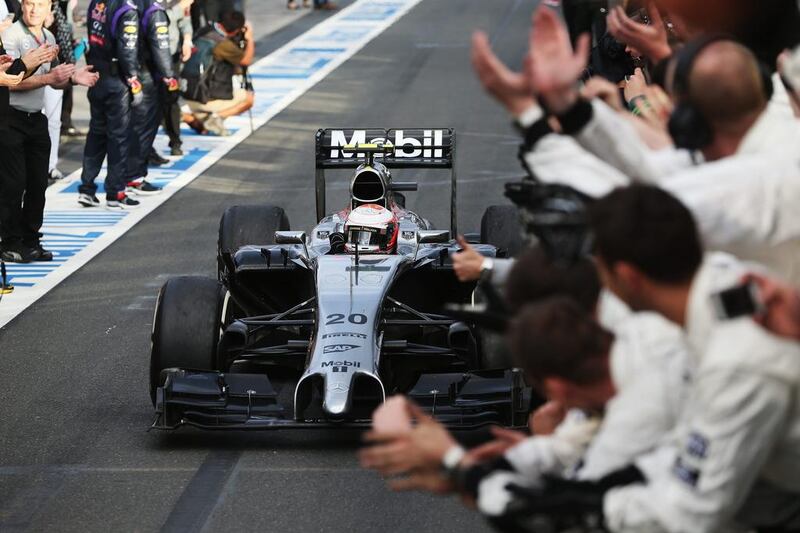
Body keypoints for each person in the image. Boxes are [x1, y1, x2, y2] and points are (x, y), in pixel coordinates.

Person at [518, 185, 800, 532]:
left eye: (601, 269)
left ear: (627, 277)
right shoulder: (727, 277)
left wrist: (594, 506)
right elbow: (688, 436)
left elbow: (694, 512)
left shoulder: (734, 364)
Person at [0, 0, 97, 263]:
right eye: (29, 4)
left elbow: (54, 80)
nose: (33, 10)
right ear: (21, 5)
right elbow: (8, 81)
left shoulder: (49, 35)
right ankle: (9, 241)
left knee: (38, 183)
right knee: (13, 183)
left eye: (40, 5)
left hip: (35, 118)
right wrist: (47, 78)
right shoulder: (11, 35)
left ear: (49, 9)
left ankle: (31, 238)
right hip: (11, 118)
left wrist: (72, 78)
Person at [78, 0, 142, 210]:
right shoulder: (127, 9)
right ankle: (115, 192)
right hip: (116, 81)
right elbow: (128, 49)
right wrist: (133, 78)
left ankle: (87, 188)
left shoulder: (96, 2)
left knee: (96, 132)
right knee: (118, 137)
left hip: (95, 76)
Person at [123, 0, 180, 197]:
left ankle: (124, 175)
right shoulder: (154, 10)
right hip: (146, 74)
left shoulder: (126, 4)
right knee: (143, 127)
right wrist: (170, 77)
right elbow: (161, 48)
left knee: (129, 126)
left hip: (124, 71)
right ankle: (135, 177)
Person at [181, 9, 252, 136]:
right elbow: (245, 61)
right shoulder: (222, 44)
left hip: (187, 93)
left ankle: (190, 118)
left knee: (203, 128)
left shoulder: (205, 30)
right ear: (236, 30)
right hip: (206, 98)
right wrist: (249, 38)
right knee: (248, 98)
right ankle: (215, 117)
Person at [162, 0, 192, 156]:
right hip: (151, 57)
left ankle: (175, 141)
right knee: (150, 104)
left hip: (172, 55)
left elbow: (185, 21)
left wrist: (187, 40)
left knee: (172, 99)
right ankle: (146, 150)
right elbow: (157, 17)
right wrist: (179, 8)